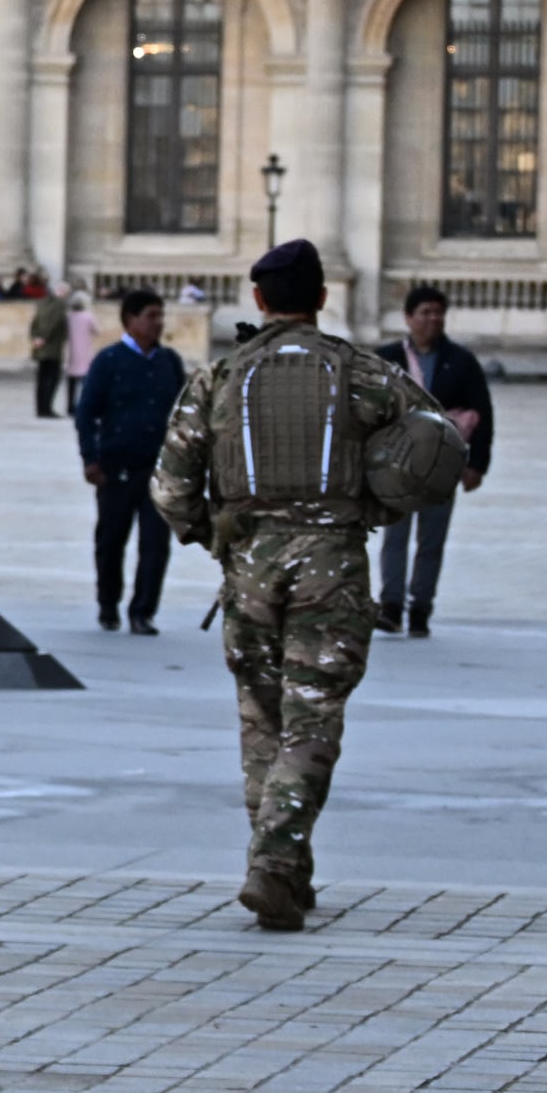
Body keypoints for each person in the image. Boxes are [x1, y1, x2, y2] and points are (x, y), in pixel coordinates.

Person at [153, 240, 431, 932]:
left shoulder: (219, 378)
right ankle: (276, 866)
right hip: (332, 565)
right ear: (321, 300)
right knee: (312, 719)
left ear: (258, 300)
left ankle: (284, 868)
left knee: (261, 719)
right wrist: (380, 505)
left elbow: (170, 488)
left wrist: (208, 534)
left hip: (248, 567)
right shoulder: (360, 372)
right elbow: (432, 440)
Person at [376, 284, 495, 637]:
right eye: (425, 312)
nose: (433, 319)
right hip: (395, 466)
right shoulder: (386, 358)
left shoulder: (461, 361)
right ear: (408, 318)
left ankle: (421, 607)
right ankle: (391, 604)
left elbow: (482, 412)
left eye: (438, 312)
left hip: (441, 465)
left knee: (432, 539)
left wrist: (478, 465)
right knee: (395, 536)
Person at [72, 288, 186, 635]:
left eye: (160, 315)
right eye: (151, 315)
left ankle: (143, 611)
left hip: (158, 469)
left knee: (155, 545)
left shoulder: (169, 362)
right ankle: (108, 605)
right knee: (111, 542)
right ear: (130, 319)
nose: (158, 323)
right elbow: (86, 413)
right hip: (116, 467)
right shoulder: (109, 361)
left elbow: (184, 414)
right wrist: (91, 459)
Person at [32, 289, 73, 416]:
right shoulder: (59, 305)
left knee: (41, 379)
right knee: (51, 378)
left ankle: (41, 408)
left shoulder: (41, 304)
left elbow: (34, 323)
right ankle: (46, 409)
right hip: (52, 347)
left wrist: (36, 338)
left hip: (40, 347)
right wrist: (44, 338)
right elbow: (55, 323)